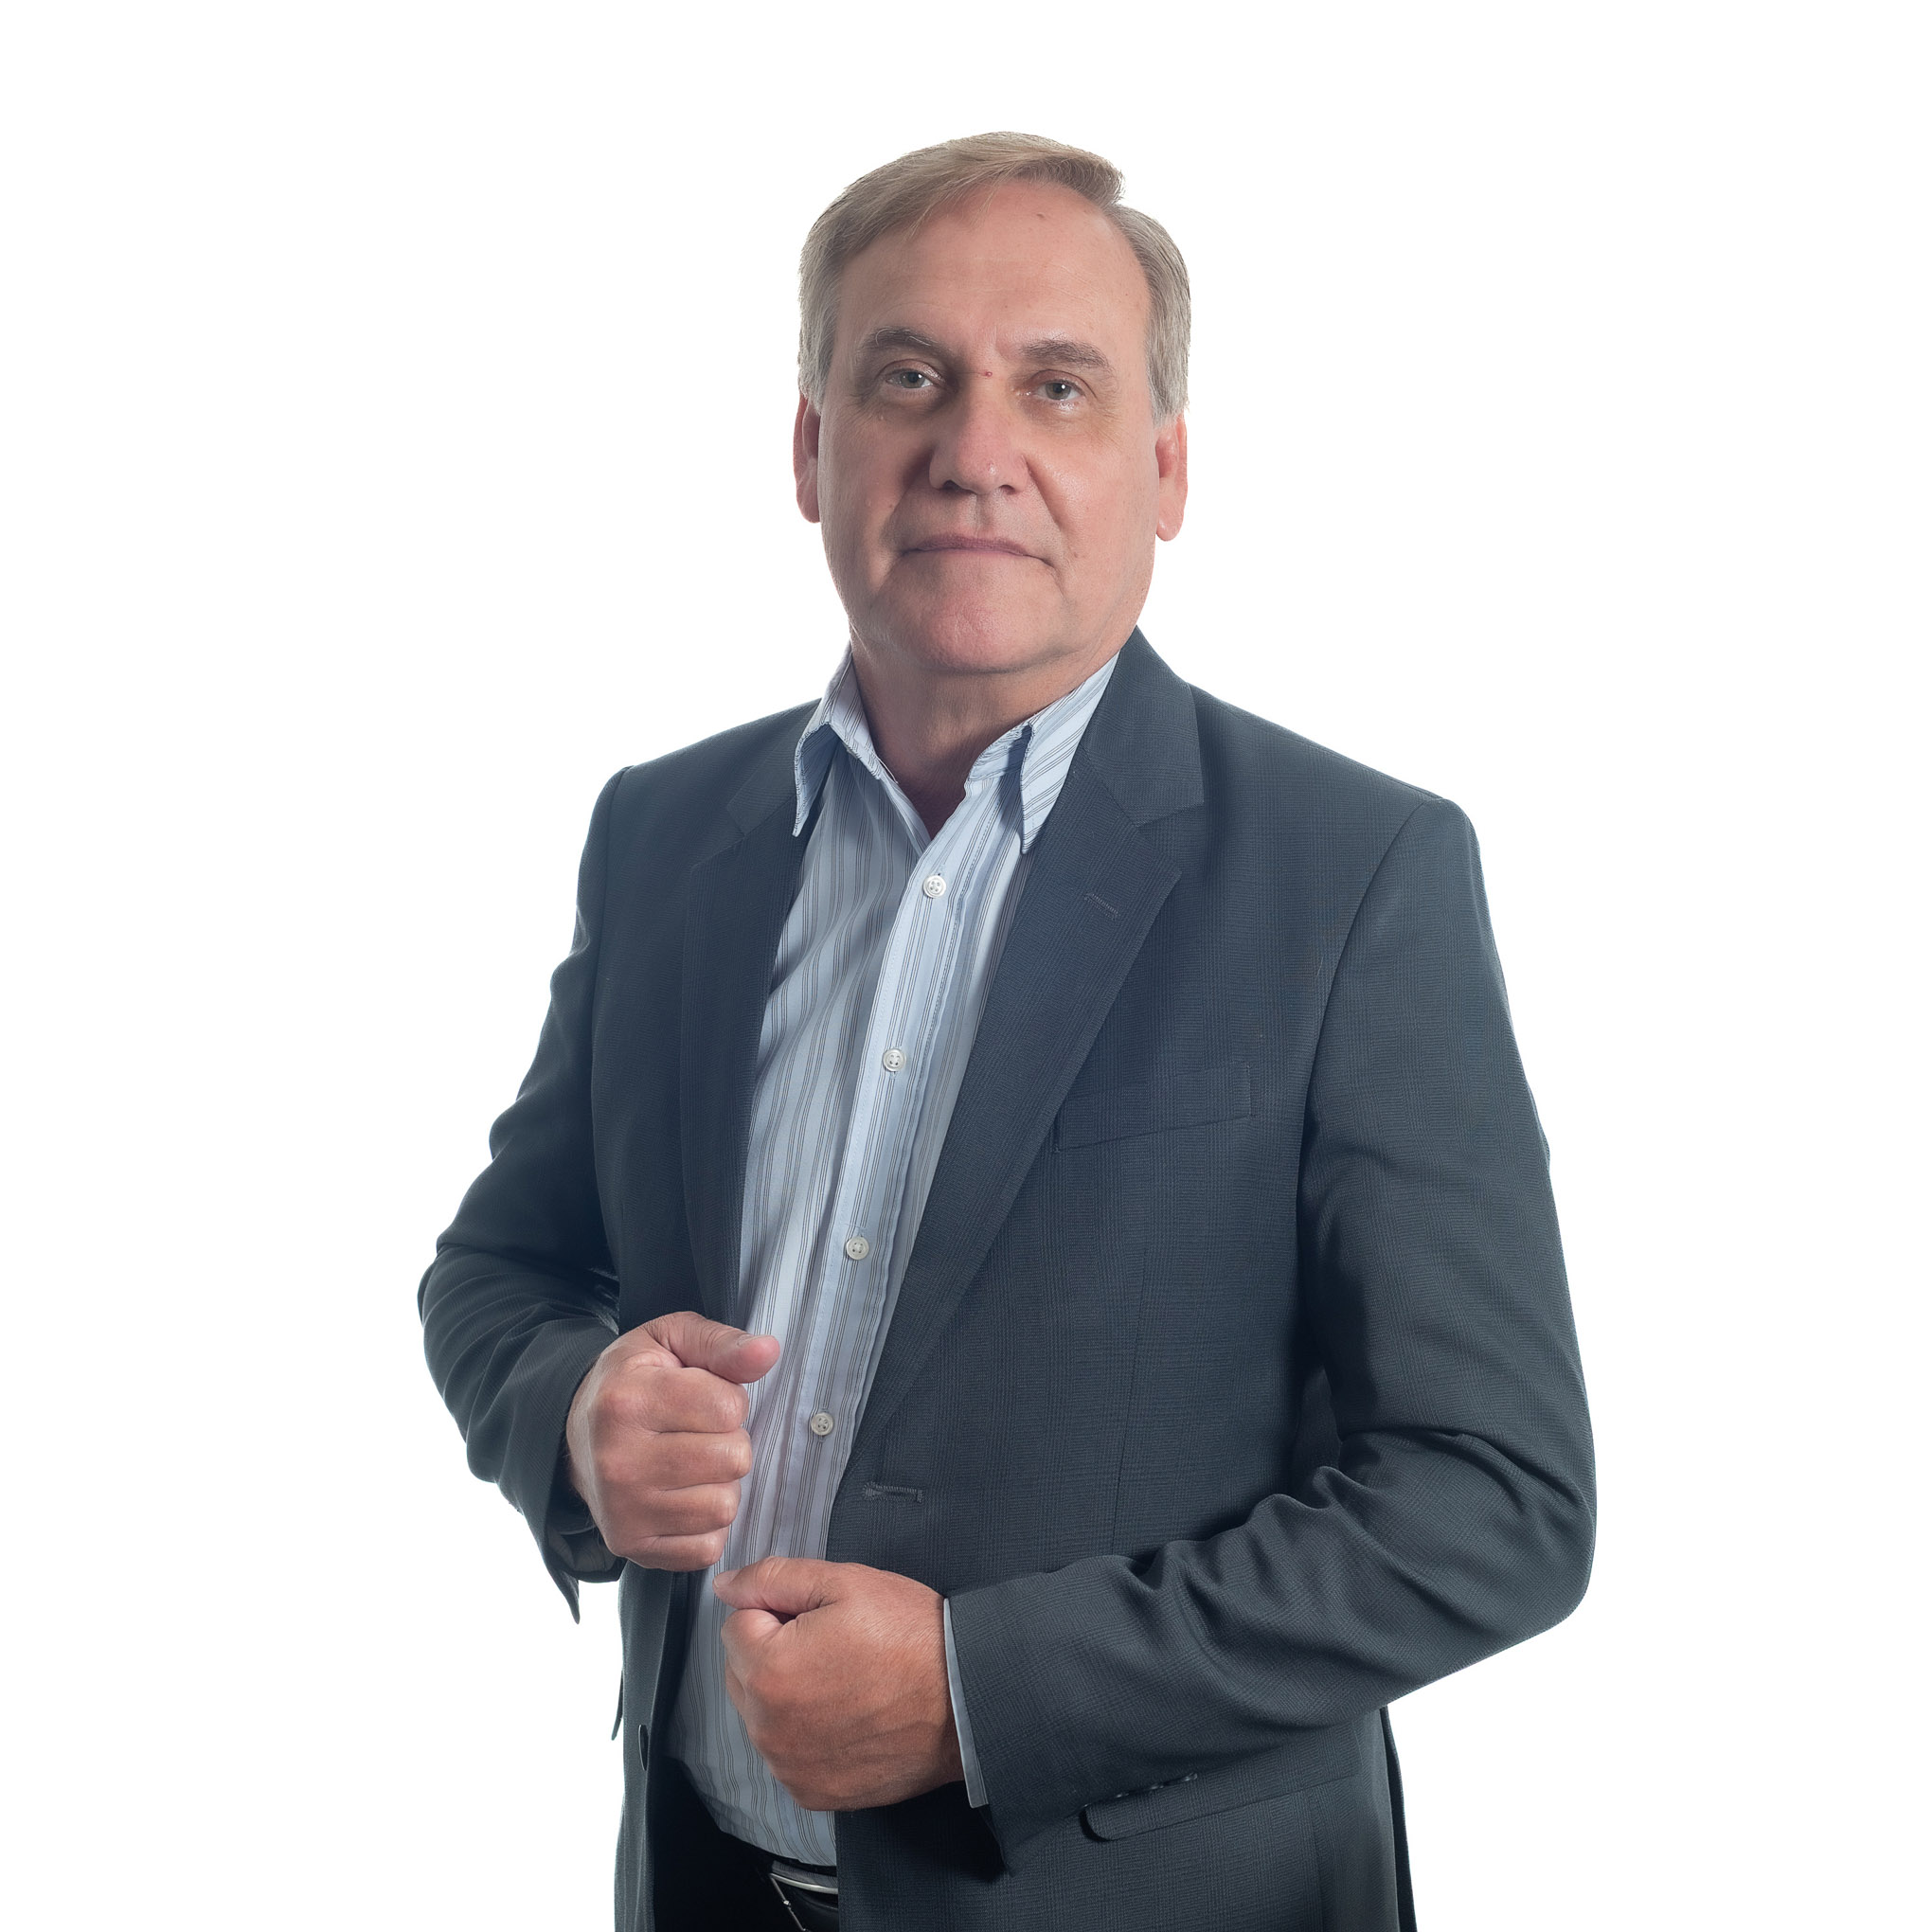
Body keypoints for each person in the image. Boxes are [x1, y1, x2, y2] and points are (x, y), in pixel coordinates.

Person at [420, 132, 1595, 1932]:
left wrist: (981, 1694)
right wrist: (575, 1415)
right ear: (811, 448)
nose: (977, 452)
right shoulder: (664, 838)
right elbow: (500, 1270)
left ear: (1165, 468)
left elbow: (1495, 1501)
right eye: (909, 378)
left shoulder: (1357, 877)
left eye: (1057, 386)